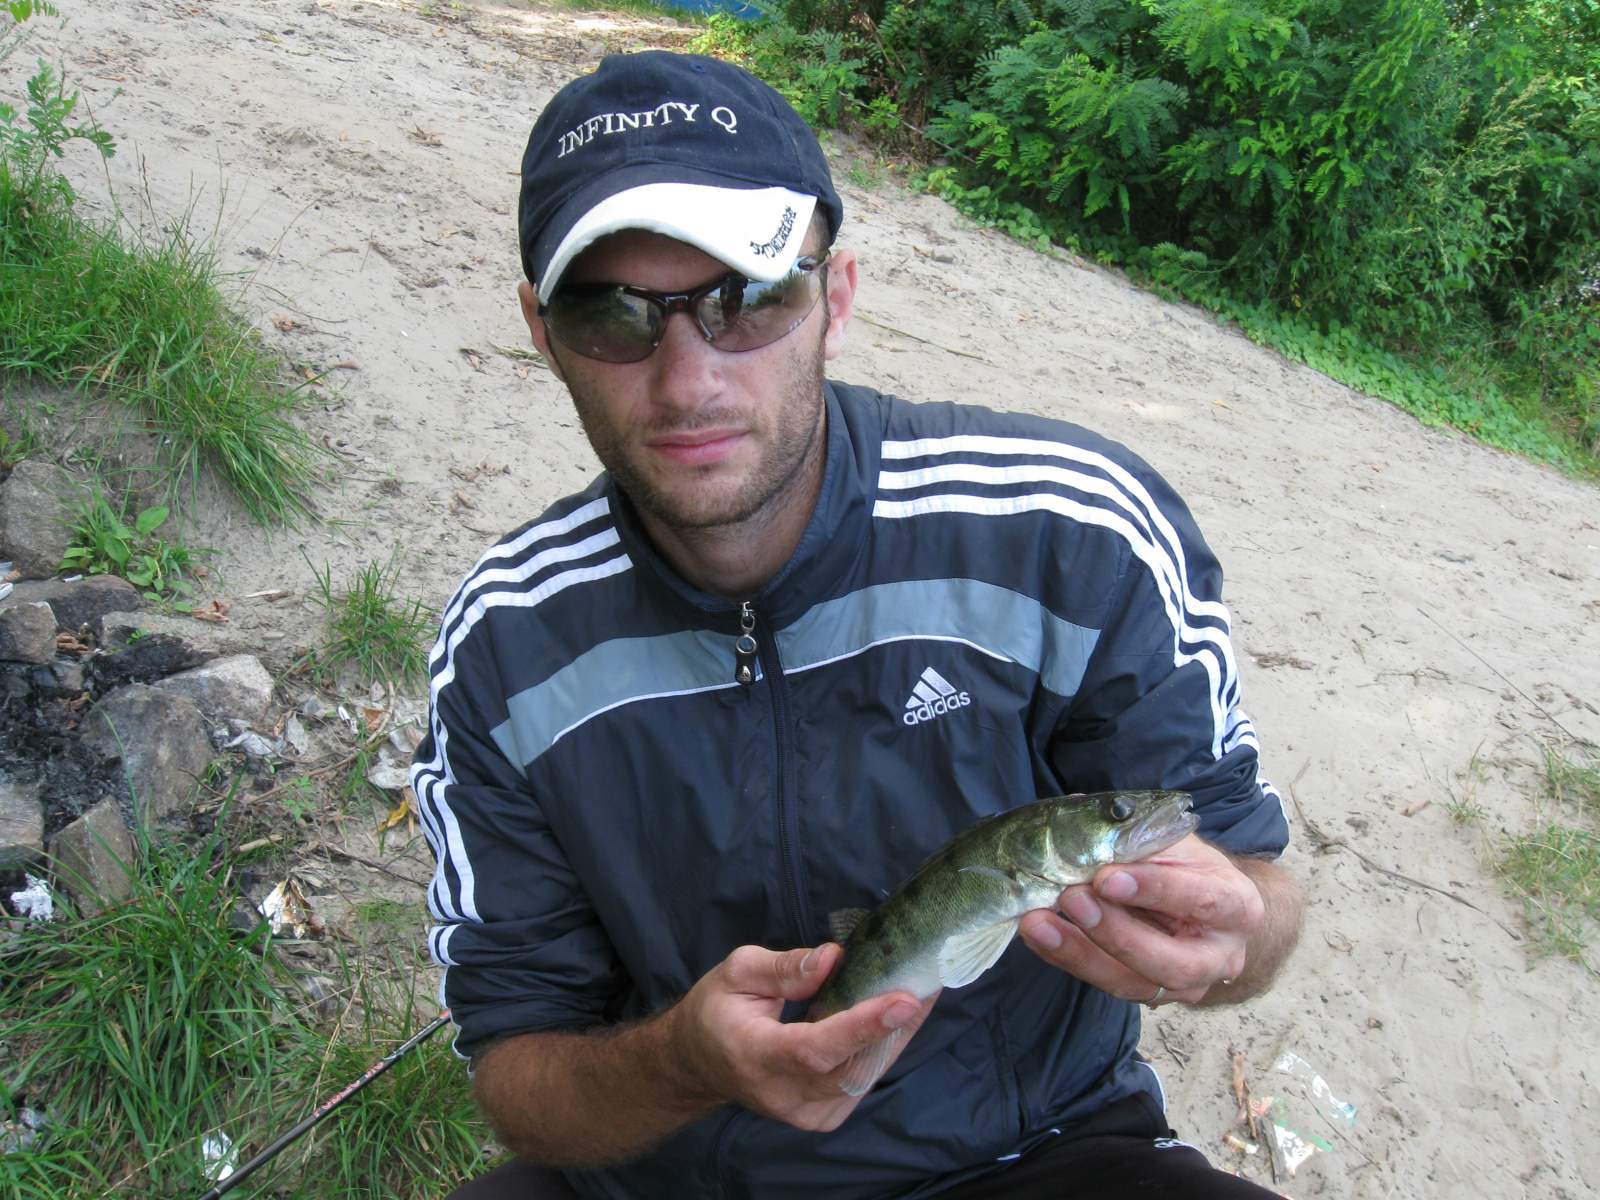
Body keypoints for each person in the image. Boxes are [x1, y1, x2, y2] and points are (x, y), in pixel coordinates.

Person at [412, 50, 1302, 1200]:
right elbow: (516, 1071)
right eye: (611, 313)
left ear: (833, 294)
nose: (688, 382)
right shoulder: (504, 649)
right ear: (542, 330)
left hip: (1044, 1156)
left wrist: (1232, 939)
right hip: (678, 1177)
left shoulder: (1069, 535)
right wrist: (683, 1063)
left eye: (747, 295)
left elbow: (1255, 889)